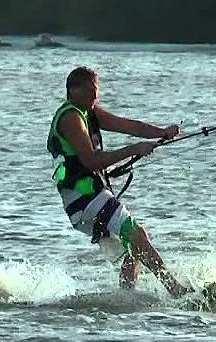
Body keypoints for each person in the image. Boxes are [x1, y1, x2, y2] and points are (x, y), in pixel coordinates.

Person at [47, 67, 192, 297]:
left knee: (137, 242)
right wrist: (134, 149)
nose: (95, 97)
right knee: (136, 235)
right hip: (82, 198)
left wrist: (162, 132)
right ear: (73, 90)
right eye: (90, 91)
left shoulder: (89, 111)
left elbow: (130, 126)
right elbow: (92, 161)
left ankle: (126, 297)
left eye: (97, 91)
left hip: (93, 195)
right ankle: (174, 288)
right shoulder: (70, 118)